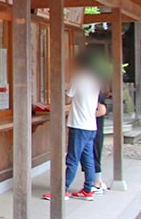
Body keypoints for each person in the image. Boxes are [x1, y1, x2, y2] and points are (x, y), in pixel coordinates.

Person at [44, 50, 102, 201]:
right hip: (91, 126)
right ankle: (88, 190)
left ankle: (63, 190)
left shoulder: (79, 78)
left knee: (72, 158)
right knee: (88, 159)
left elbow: (67, 100)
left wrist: (60, 94)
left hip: (79, 124)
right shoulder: (95, 80)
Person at [91, 88, 108, 194]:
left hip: (95, 127)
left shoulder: (97, 92)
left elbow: (102, 111)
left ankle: (97, 183)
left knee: (94, 153)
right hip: (93, 126)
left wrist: (86, 113)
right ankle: (98, 181)